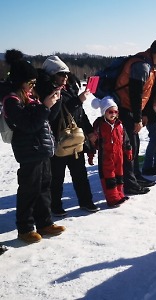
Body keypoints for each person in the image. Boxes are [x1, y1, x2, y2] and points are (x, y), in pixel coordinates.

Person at [3, 57, 65, 243]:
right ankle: (25, 228)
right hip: (28, 151)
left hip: (42, 149)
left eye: (34, 82)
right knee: (29, 190)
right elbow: (29, 125)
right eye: (30, 82)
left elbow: (46, 119)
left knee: (44, 188)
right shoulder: (12, 101)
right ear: (19, 81)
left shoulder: (30, 97)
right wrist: (44, 106)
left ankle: (44, 222)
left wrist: (55, 101)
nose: (32, 86)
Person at [36, 55, 99, 217]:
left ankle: (86, 201)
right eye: (61, 74)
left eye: (66, 73)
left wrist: (90, 131)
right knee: (56, 176)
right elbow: (54, 115)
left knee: (80, 173)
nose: (65, 77)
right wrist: (78, 100)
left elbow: (79, 113)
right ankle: (55, 205)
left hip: (74, 137)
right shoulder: (46, 90)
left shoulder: (69, 88)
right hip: (57, 138)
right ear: (51, 74)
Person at [117, 39, 156, 195]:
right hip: (125, 108)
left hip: (132, 109)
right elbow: (135, 93)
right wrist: (137, 119)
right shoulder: (142, 66)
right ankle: (129, 183)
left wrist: (145, 114)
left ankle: (136, 176)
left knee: (135, 143)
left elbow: (147, 94)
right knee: (129, 146)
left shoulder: (149, 65)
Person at [91, 96, 132, 207]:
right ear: (104, 112)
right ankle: (112, 198)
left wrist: (128, 150)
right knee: (109, 177)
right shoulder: (100, 125)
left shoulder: (119, 124)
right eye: (110, 111)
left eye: (115, 112)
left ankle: (119, 194)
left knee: (119, 175)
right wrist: (91, 152)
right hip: (106, 156)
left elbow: (125, 139)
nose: (113, 114)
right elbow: (93, 140)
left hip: (118, 155)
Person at [141, 64, 156, 176]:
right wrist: (144, 113)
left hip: (155, 113)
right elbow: (145, 97)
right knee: (155, 139)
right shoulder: (149, 77)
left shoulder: (155, 77)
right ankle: (147, 166)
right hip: (150, 114)